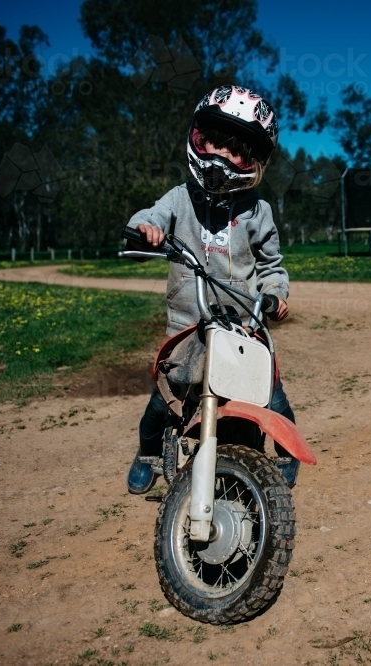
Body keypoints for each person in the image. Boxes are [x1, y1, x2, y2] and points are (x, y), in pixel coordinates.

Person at [122, 85, 298, 494]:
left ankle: (285, 451)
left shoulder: (259, 211)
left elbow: (272, 266)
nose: (221, 155)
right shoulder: (179, 199)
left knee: (271, 397)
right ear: (198, 140)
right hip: (188, 328)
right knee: (161, 405)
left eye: (236, 150)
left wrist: (277, 294)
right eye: (214, 142)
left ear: (253, 161)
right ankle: (147, 453)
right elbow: (152, 216)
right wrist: (146, 229)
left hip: (243, 329)